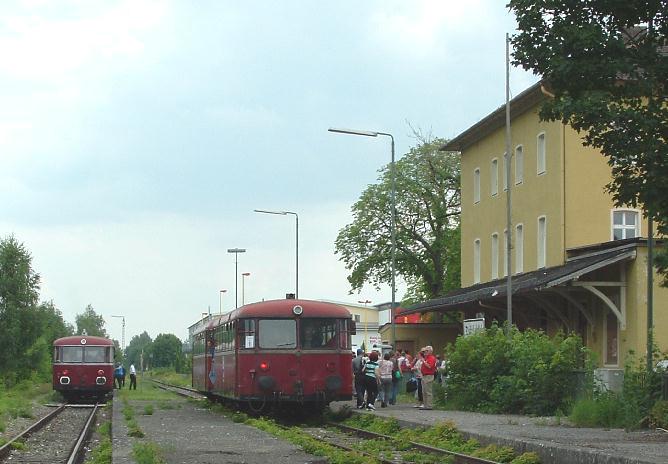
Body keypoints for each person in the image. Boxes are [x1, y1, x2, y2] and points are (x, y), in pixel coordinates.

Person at [419, 346, 437, 410]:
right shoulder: (426, 358)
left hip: (429, 376)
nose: (425, 352)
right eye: (424, 351)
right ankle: (425, 405)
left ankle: (429, 405)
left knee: (428, 391)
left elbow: (429, 366)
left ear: (430, 351)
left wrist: (423, 361)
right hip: (424, 376)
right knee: (424, 391)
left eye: (426, 351)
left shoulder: (431, 358)